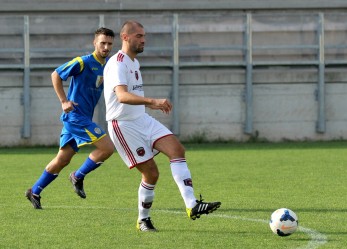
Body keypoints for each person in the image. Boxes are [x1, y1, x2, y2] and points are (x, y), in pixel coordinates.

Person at [103, 20, 221, 232]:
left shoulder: (134, 63)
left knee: (177, 149)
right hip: (123, 126)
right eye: (138, 36)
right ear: (125, 37)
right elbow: (121, 96)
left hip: (142, 119)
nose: (143, 40)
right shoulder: (117, 63)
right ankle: (143, 220)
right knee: (151, 174)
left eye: (144, 36)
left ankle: (192, 205)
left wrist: (149, 106)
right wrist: (152, 102)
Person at [25, 27, 116, 209]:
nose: (106, 47)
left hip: (79, 118)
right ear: (94, 43)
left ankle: (34, 191)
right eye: (102, 43)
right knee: (107, 148)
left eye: (109, 44)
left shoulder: (107, 67)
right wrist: (63, 101)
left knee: (62, 159)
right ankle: (78, 176)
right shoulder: (83, 62)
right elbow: (56, 74)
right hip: (76, 117)